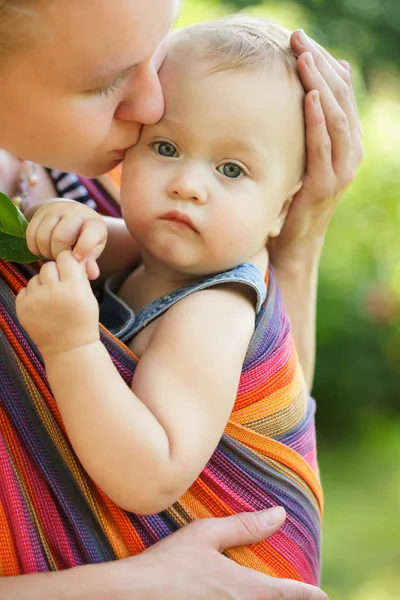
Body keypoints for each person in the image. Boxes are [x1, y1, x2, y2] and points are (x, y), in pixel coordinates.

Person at [0, 0, 362, 597]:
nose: (149, 105)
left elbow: (245, 429)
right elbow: (98, 242)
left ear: (281, 204)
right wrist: (59, 224)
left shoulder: (213, 304)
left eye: (231, 168)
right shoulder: (147, 225)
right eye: (107, 79)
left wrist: (70, 345)